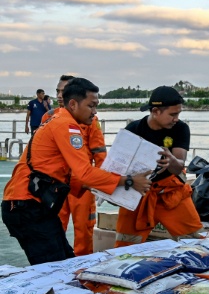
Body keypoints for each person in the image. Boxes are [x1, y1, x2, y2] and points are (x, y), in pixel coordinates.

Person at [2, 78, 151, 265]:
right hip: (28, 207)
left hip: (34, 204)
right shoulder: (67, 126)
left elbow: (76, 172)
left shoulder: (56, 120)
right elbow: (85, 173)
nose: (94, 112)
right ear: (73, 104)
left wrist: (104, 187)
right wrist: (128, 181)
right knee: (54, 269)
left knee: (65, 263)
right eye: (91, 106)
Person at [115, 86, 203, 247]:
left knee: (195, 242)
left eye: (178, 114)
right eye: (173, 114)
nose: (176, 118)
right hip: (139, 194)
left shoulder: (181, 129)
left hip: (170, 193)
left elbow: (180, 165)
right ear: (155, 111)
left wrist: (171, 162)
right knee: (125, 244)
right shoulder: (133, 130)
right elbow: (117, 166)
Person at [41, 74, 108, 257]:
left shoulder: (90, 119)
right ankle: (56, 263)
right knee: (54, 225)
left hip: (82, 181)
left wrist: (101, 182)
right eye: (58, 91)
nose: (60, 95)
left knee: (84, 229)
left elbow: (99, 151)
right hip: (57, 183)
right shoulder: (49, 117)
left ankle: (82, 266)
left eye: (63, 91)